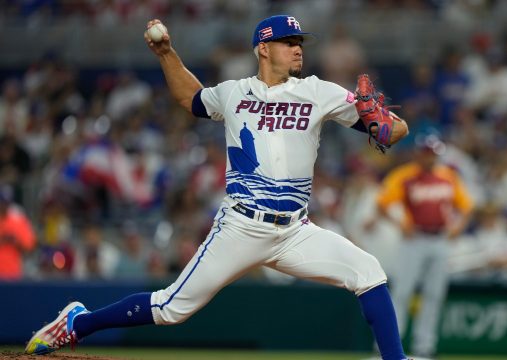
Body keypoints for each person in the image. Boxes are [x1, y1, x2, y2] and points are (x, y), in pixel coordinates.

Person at [26, 15, 411, 360]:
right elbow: (189, 98)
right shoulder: (234, 92)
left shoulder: (318, 91)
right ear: (264, 48)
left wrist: (385, 123)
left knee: (368, 271)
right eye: (289, 42)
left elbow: (394, 129)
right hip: (241, 226)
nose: (298, 49)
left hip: (295, 230)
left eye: (300, 43)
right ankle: (80, 322)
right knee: (169, 309)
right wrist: (166, 53)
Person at [377, 134, 474, 358]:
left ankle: (425, 347)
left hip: (439, 240)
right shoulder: (405, 176)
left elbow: (466, 206)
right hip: (414, 240)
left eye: (434, 154)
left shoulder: (448, 176)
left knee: (434, 295)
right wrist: (400, 224)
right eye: (427, 154)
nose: (431, 158)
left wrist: (458, 227)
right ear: (418, 154)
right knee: (402, 292)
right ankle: (391, 346)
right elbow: (382, 204)